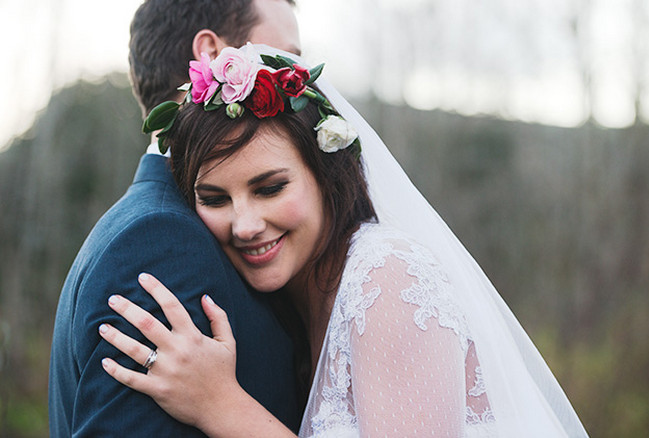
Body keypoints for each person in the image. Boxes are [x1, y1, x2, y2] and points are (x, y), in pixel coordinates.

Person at [96, 44, 590, 437]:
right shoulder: (291, 303)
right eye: (215, 198)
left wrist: (221, 406)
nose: (244, 225)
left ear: (327, 176)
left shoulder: (388, 279)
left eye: (270, 188)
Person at [48, 1, 303, 436]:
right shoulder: (160, 244)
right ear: (211, 56)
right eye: (287, 57)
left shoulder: (165, 224)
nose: (300, 80)